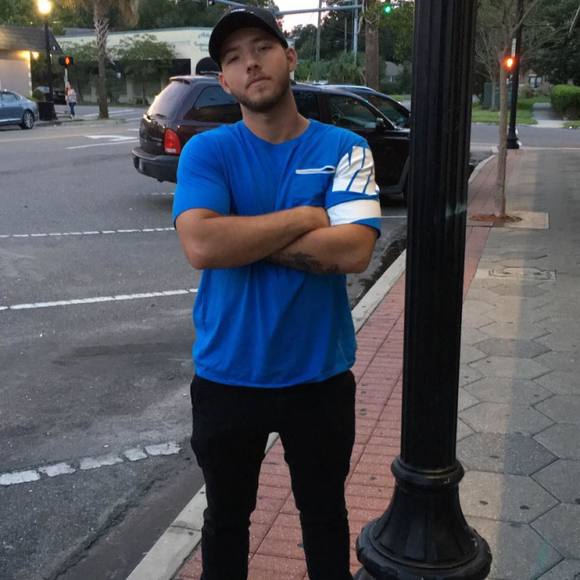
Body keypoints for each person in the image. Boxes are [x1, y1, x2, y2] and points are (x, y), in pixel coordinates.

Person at [172, 6, 381, 580]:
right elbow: (202, 245)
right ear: (224, 81)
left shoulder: (346, 147)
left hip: (318, 377)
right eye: (233, 58)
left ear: (289, 57)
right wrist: (306, 217)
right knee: (226, 521)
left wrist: (240, 238)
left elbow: (353, 252)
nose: (251, 64)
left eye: (261, 48)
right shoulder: (208, 152)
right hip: (227, 376)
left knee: (324, 517)